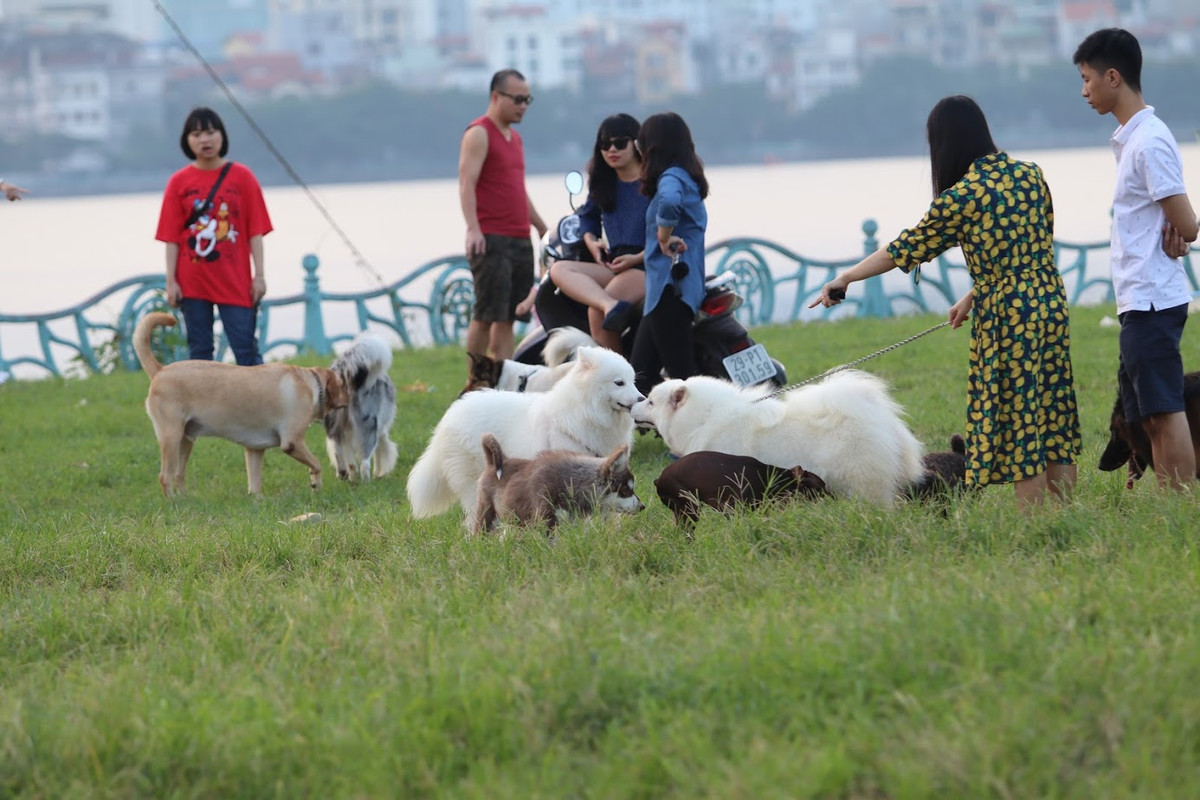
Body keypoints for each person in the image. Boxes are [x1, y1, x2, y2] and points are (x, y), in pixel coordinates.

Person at [811, 95, 1081, 510]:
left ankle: (1039, 528)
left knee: (1023, 421)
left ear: (945, 144)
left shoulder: (964, 195)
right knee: (1051, 410)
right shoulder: (1031, 175)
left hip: (1009, 318)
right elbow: (1030, 248)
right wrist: (975, 295)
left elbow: (903, 249)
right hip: (1048, 303)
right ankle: (1065, 516)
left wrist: (845, 277)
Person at [1074, 28, 1200, 491]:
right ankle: (1172, 495)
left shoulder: (1148, 142)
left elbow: (1187, 224)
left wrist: (1181, 235)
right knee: (1147, 414)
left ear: (1113, 77)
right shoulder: (1133, 140)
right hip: (1139, 297)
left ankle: (1178, 502)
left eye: (1088, 80)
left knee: (1165, 409)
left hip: (1151, 298)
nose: (1084, 91)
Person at [155, 106, 273, 366]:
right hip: (193, 281)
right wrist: (171, 281)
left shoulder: (243, 177)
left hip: (235, 279)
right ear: (187, 140)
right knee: (200, 353)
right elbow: (172, 237)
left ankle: (258, 406)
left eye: (210, 132)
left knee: (246, 351)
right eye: (196, 134)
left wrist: (260, 276)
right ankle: (204, 407)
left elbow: (255, 231)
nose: (204, 140)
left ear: (222, 135)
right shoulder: (178, 182)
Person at [458, 68, 548, 363]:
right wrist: (473, 228)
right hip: (492, 238)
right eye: (517, 99)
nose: (523, 106)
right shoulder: (479, 133)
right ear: (496, 97)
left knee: (508, 315)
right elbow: (466, 182)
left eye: (527, 100)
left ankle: (503, 380)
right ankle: (475, 379)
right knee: (486, 313)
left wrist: (539, 225)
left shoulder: (515, 139)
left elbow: (516, 188)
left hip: (519, 237)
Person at [547, 113, 649, 352]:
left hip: (647, 263)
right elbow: (587, 216)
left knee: (597, 314)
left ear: (636, 143)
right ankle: (609, 304)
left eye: (619, 143)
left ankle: (620, 383)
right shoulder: (605, 183)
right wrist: (592, 243)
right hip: (615, 262)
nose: (611, 149)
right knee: (559, 269)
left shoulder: (652, 182)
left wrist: (638, 257)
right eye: (604, 144)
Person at [628, 112, 709, 396]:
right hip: (665, 292)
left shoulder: (671, 177)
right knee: (640, 374)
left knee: (682, 379)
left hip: (669, 289)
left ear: (652, 147)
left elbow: (670, 201)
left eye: (641, 143)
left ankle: (696, 438)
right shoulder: (687, 176)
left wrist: (664, 237)